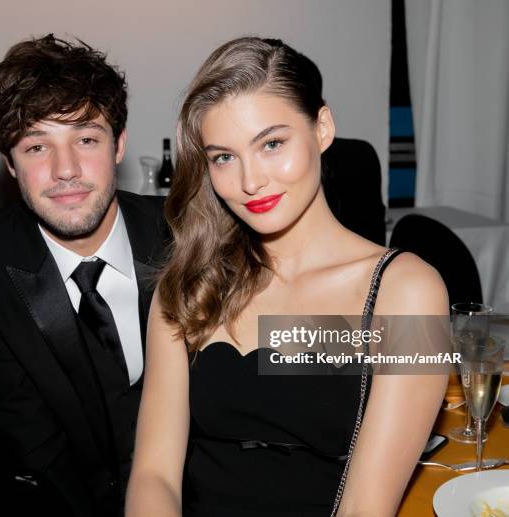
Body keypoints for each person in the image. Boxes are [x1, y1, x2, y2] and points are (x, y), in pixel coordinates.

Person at [126, 37, 448, 517]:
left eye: (272, 144)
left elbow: (365, 506)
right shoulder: (189, 286)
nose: (251, 181)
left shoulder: (410, 292)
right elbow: (154, 474)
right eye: (223, 157)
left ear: (322, 128)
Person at [0, 34, 168, 517]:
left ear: (119, 145)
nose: (65, 170)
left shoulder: (187, 239)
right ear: (10, 164)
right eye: (36, 146)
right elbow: (31, 442)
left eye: (86, 139)